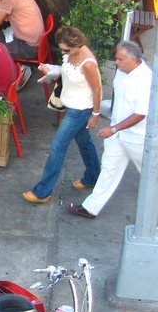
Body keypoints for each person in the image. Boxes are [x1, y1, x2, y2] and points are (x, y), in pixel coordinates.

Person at [68, 40, 151, 219]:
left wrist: (113, 129)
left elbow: (140, 114)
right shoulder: (122, 72)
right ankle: (91, 208)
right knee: (109, 169)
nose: (116, 63)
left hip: (137, 138)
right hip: (118, 133)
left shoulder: (146, 79)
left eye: (120, 59)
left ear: (134, 59)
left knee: (151, 176)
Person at [23, 26, 101, 204]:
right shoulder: (71, 54)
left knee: (57, 147)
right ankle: (93, 177)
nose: (64, 52)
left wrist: (95, 114)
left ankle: (43, 192)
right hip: (72, 106)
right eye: (62, 49)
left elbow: (97, 89)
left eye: (66, 50)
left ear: (76, 45)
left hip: (80, 110)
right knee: (84, 142)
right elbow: (66, 72)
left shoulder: (88, 63)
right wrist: (51, 69)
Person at [0, 0, 44, 89]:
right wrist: (1, 5)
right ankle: (18, 69)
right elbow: (3, 12)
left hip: (29, 48)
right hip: (38, 44)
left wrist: (0, 4)